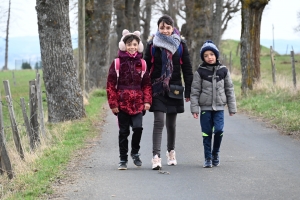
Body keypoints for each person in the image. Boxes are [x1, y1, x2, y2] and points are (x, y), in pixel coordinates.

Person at [144, 15, 193, 170]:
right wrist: (144, 91)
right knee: (159, 121)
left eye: (168, 27)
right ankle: (155, 157)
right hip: (157, 87)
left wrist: (188, 91)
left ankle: (171, 151)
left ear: (173, 28)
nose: (165, 30)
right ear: (158, 28)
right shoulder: (152, 44)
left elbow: (187, 69)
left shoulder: (181, 45)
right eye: (162, 27)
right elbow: (144, 68)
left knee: (171, 124)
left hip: (175, 88)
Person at [106, 29, 152, 170]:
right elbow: (110, 85)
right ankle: (123, 159)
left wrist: (147, 101)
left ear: (139, 46)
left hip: (138, 104)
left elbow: (146, 85)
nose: (132, 47)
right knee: (123, 132)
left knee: (138, 128)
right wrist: (113, 103)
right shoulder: (117, 63)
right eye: (129, 44)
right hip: (122, 104)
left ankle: (135, 152)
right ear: (123, 46)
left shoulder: (143, 64)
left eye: (134, 44)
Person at [190, 40, 237, 168]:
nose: (209, 57)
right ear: (203, 58)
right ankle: (208, 158)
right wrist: (194, 109)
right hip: (205, 108)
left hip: (219, 108)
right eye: (206, 55)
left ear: (216, 55)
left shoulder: (224, 71)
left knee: (219, 130)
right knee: (206, 133)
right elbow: (194, 92)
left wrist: (232, 108)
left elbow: (229, 89)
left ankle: (215, 152)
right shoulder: (200, 72)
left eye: (211, 54)